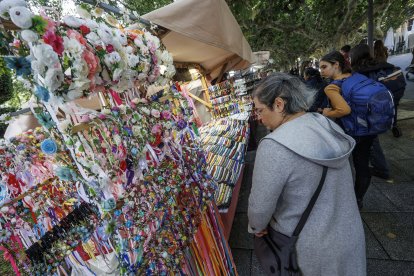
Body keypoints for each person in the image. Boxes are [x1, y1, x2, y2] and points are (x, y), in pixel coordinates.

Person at [248, 73, 366, 276]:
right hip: (349, 236)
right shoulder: (325, 124)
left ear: (278, 104)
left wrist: (256, 226)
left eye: (259, 110)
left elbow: (260, 208)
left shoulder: (274, 145)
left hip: (306, 249)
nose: (258, 117)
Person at [319, 51, 375, 209]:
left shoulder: (332, 86)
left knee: (341, 164)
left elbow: (344, 110)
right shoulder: (357, 78)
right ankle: (359, 198)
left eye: (324, 66)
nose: (321, 71)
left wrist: (326, 112)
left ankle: (344, 197)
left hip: (351, 131)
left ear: (336, 65)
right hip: (369, 127)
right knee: (362, 163)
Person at [350, 44, 403, 179]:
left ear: (354, 56)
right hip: (391, 100)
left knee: (372, 139)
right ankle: (380, 167)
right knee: (374, 137)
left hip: (374, 108)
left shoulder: (361, 71)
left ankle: (382, 169)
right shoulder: (384, 65)